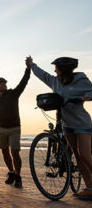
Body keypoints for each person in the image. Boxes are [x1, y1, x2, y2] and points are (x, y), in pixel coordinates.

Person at [26, 56, 92, 200]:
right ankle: (89, 187)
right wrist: (31, 64)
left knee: (85, 153)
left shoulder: (80, 78)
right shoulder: (55, 81)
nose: (54, 70)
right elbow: (42, 74)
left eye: (56, 67)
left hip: (82, 123)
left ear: (64, 69)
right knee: (77, 155)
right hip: (66, 123)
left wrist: (87, 96)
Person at [0, 64, 31, 188]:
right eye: (1, 84)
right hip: (0, 129)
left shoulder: (14, 94)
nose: (4, 84)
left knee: (15, 152)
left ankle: (18, 176)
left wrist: (28, 69)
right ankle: (11, 172)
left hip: (14, 128)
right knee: (5, 152)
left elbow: (24, 82)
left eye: (4, 83)